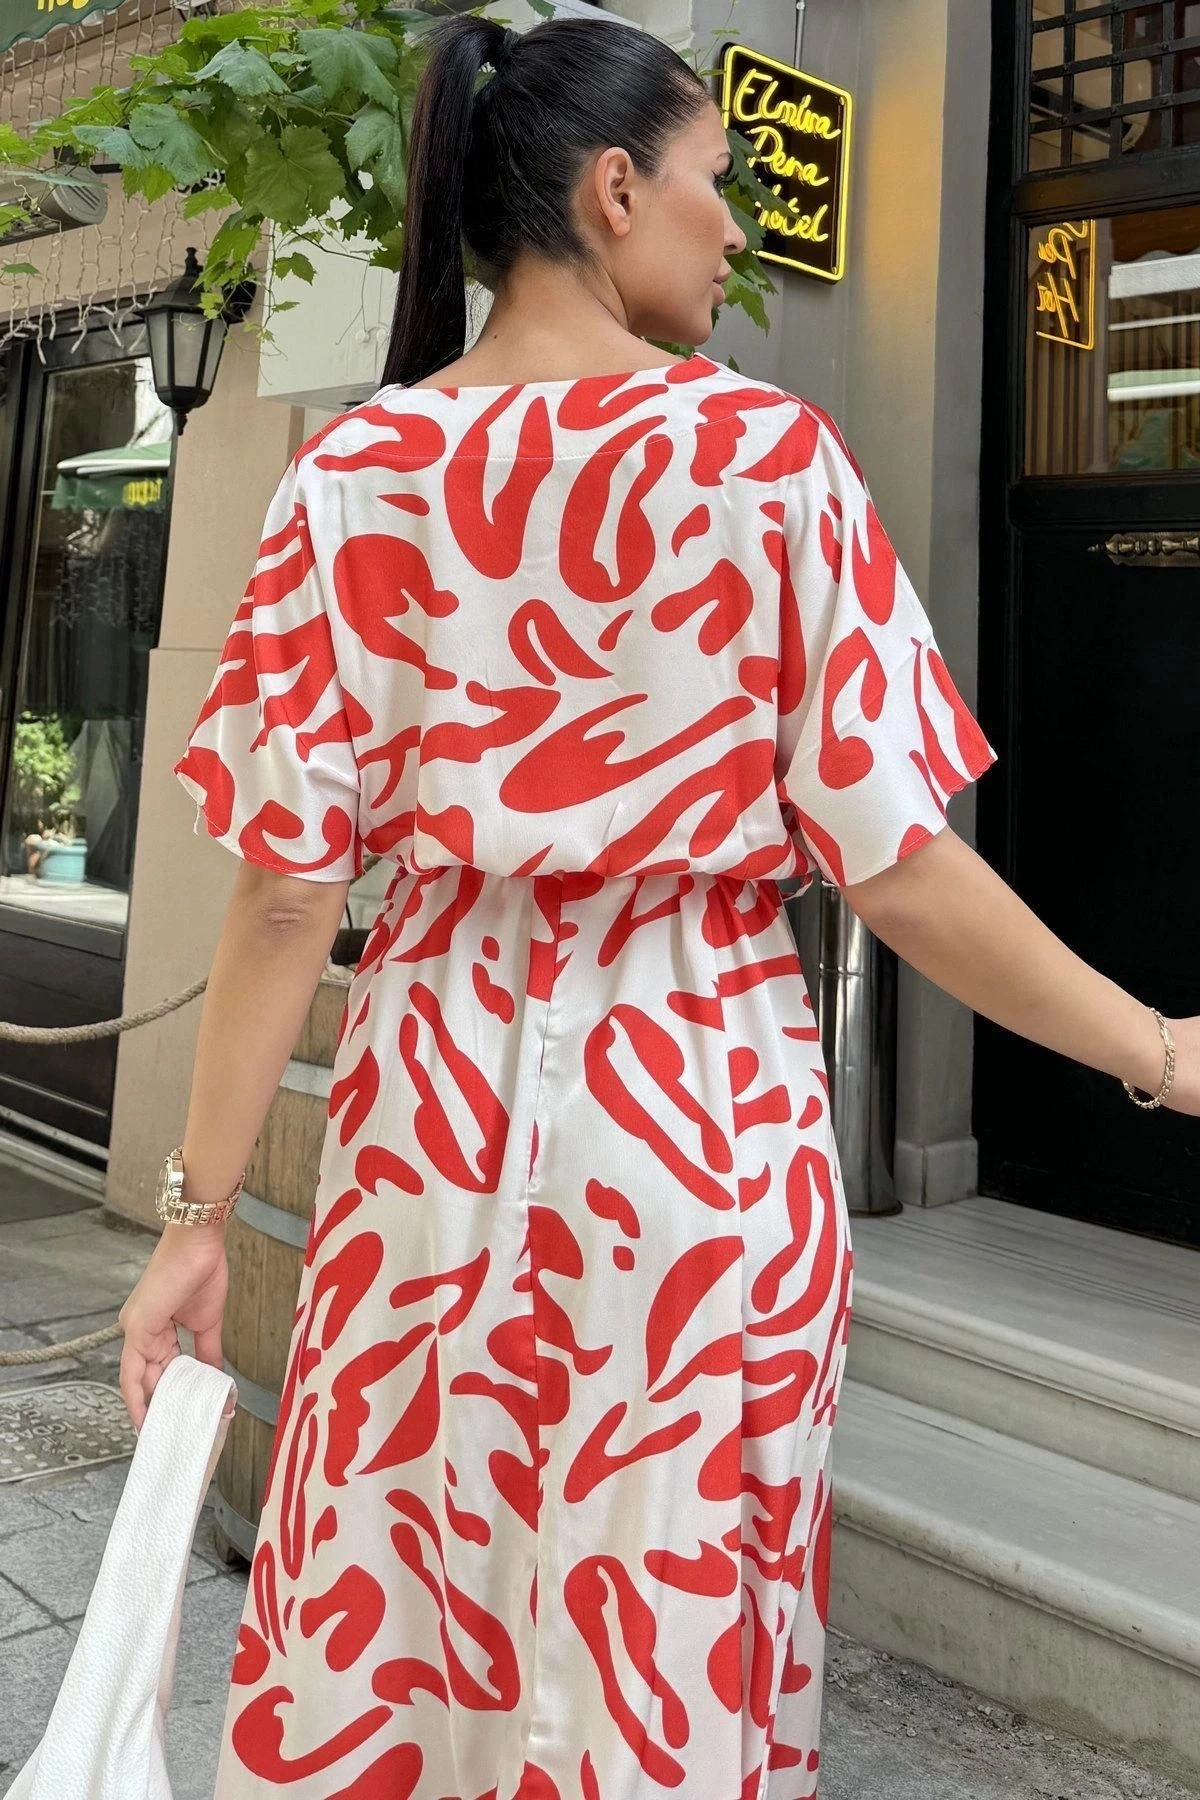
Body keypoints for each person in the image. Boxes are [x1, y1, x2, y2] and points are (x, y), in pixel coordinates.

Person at [116, 12, 1200, 1797]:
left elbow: (287, 901)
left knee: (408, 1589)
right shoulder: (771, 460)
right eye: (717, 181)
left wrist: (197, 1216)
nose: (738, 225)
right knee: (665, 1620)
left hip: (429, 1133)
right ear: (615, 191)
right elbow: (902, 868)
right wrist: (1157, 1049)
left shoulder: (352, 479)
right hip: (694, 1125)